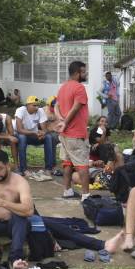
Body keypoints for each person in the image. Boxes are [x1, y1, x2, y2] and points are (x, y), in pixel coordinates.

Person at [55, 61, 91, 200]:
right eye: (83, 72)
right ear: (77, 73)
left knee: (68, 162)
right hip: (76, 133)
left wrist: (61, 121)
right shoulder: (79, 87)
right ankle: (86, 195)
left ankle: (67, 190)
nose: (85, 74)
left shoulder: (63, 87)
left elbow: (57, 106)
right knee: (82, 164)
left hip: (64, 134)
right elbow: (76, 108)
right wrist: (65, 122)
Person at [14, 96, 56, 176]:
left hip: (34, 135)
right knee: (22, 138)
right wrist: (34, 133)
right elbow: (19, 129)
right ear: (28, 105)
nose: (36, 107)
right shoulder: (21, 110)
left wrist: (42, 133)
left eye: (37, 105)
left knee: (48, 137)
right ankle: (24, 169)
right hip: (21, 135)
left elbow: (44, 128)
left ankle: (48, 168)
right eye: (34, 105)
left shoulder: (40, 111)